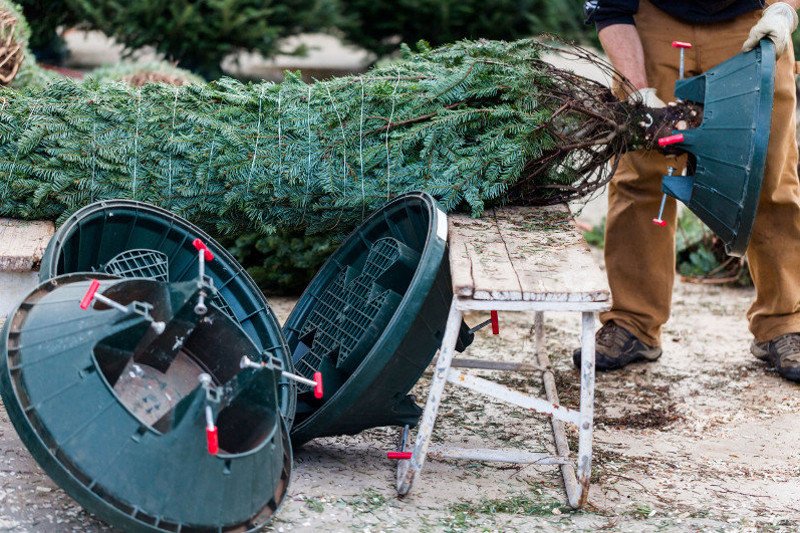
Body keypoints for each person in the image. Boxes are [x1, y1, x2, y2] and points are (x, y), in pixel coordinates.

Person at [575, 0, 800, 382]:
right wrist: (637, 93)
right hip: (653, 22)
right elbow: (610, 7)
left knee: (768, 176)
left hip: (749, 22)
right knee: (643, 176)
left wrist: (784, 10)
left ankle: (784, 322)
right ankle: (633, 322)